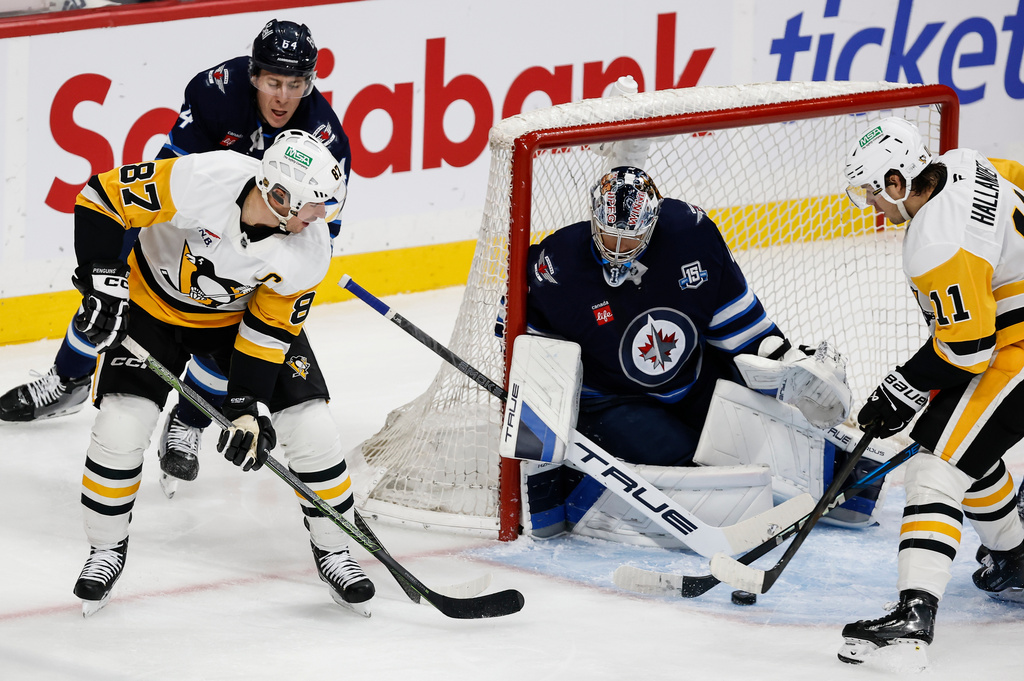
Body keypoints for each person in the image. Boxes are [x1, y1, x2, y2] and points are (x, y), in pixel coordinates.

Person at [0, 19, 351, 494]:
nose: (283, 97)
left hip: (260, 245)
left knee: (225, 321)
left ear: (310, 82)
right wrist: (109, 271)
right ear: (254, 75)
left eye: (295, 84)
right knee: (111, 282)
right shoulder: (216, 93)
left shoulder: (325, 139)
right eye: (273, 81)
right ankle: (68, 378)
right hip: (194, 214)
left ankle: (188, 419)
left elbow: (314, 234)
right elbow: (179, 176)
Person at [70, 129, 373, 617]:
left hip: (235, 323)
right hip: (153, 309)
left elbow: (268, 331)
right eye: (312, 206)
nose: (320, 217)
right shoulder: (203, 177)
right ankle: (106, 548)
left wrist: (249, 406)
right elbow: (103, 197)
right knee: (120, 426)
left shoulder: (308, 249)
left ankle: (335, 549)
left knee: (310, 424)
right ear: (278, 196)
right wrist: (104, 283)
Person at [521, 165, 857, 540]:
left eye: (630, 239)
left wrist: (785, 367)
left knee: (758, 439)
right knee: (686, 457)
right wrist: (540, 436)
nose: (617, 249)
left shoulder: (691, 235)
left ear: (653, 221)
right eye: (608, 235)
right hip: (613, 400)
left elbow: (740, 323)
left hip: (693, 380)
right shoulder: (556, 266)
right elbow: (528, 346)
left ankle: (828, 475)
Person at [836, 117, 1024, 664]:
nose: (874, 206)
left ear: (898, 182)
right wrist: (910, 395)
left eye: (874, 192)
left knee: (935, 465)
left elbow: (967, 350)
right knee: (953, 438)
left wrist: (900, 389)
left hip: (1013, 350)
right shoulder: (968, 162)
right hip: (1008, 338)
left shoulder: (935, 241)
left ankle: (913, 619)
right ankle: (1014, 555)